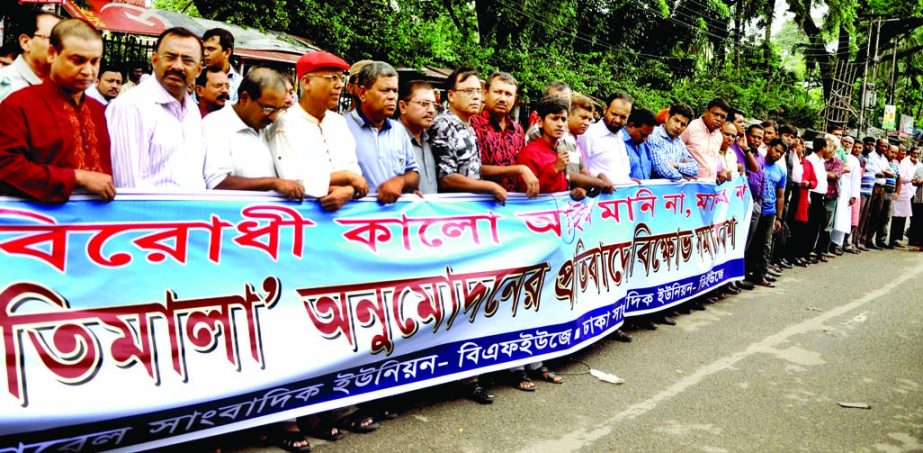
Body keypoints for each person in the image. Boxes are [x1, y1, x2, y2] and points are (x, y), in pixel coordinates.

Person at [0, 18, 114, 202]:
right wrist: (76, 177)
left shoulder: (98, 110)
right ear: (52, 53)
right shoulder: (18, 105)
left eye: (94, 62)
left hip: (96, 224)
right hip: (40, 222)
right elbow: (6, 167)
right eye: (78, 60)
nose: (88, 70)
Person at [267, 51, 368, 211]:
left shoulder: (338, 122)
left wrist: (348, 190)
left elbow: (354, 172)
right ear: (307, 82)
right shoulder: (284, 124)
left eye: (341, 78)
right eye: (332, 78)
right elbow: (293, 182)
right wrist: (346, 177)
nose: (340, 85)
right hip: (301, 217)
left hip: (344, 215)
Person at [107, 27, 206, 190]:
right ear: (154, 60)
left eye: (187, 60)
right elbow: (130, 188)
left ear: (199, 69)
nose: (178, 66)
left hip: (193, 213)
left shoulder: (192, 111)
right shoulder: (131, 106)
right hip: (153, 215)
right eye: (170, 57)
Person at [203, 67, 302, 198]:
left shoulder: (268, 126)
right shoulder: (216, 124)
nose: (273, 117)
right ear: (244, 98)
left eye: (279, 109)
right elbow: (217, 182)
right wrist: (273, 183)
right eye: (268, 108)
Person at [429, 67, 506, 204]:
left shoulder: (467, 125)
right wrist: (490, 186)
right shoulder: (444, 125)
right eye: (468, 91)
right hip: (452, 208)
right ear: (451, 95)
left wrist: (518, 170)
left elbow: (473, 168)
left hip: (470, 207)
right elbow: (446, 178)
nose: (476, 96)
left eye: (478, 91)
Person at [346, 61, 419, 203]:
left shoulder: (399, 130)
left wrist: (400, 182)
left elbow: (413, 173)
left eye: (395, 91)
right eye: (385, 90)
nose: (392, 97)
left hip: (392, 220)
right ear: (362, 93)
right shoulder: (341, 127)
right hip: (352, 220)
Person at [472, 71, 538, 196]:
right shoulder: (472, 125)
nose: (502, 99)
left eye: (508, 94)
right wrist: (518, 170)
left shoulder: (517, 130)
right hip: (481, 203)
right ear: (485, 94)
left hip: (512, 204)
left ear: (515, 99)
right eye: (497, 92)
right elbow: (473, 169)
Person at [0, 9, 61, 103]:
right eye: (53, 39)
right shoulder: (5, 85)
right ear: (26, 42)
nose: (61, 45)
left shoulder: (66, 88)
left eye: (64, 39)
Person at [749, 138, 787, 287]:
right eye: (776, 150)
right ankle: (746, 273)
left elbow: (780, 195)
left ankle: (761, 275)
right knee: (751, 243)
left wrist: (779, 217)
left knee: (766, 245)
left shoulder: (781, 171)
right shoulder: (757, 163)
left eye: (781, 153)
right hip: (755, 208)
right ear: (769, 146)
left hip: (770, 212)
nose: (778, 154)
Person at [582, 92, 636, 185]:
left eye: (623, 117)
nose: (617, 120)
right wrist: (598, 180)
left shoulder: (621, 136)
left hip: (621, 196)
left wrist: (627, 180)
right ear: (605, 110)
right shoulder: (588, 134)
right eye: (614, 114)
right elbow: (578, 170)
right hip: (598, 196)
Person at [398, 80, 438, 194]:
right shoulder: (391, 140)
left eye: (434, 105)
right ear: (403, 106)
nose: (431, 110)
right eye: (424, 104)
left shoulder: (431, 139)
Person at [681, 98, 729, 181]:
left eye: (723, 117)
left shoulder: (719, 136)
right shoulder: (690, 127)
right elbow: (676, 152)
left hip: (709, 187)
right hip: (690, 186)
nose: (718, 119)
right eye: (716, 114)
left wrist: (721, 170)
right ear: (706, 112)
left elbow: (714, 158)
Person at [648, 103, 699, 181]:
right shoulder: (654, 135)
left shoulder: (679, 142)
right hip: (654, 190)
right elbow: (662, 169)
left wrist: (676, 165)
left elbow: (695, 169)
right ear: (667, 117)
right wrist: (682, 177)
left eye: (683, 124)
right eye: (676, 120)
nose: (678, 126)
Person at [202, 28, 242, 103]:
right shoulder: (196, 77)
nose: (205, 53)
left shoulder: (240, 84)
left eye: (210, 49)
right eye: (204, 49)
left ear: (227, 52)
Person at [890, 146, 916, 247]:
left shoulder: (906, 162)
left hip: (908, 192)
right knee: (896, 216)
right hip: (898, 191)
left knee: (903, 217)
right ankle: (892, 239)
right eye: (901, 153)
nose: (903, 155)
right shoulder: (897, 163)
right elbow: (901, 178)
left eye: (904, 153)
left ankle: (897, 238)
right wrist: (912, 180)